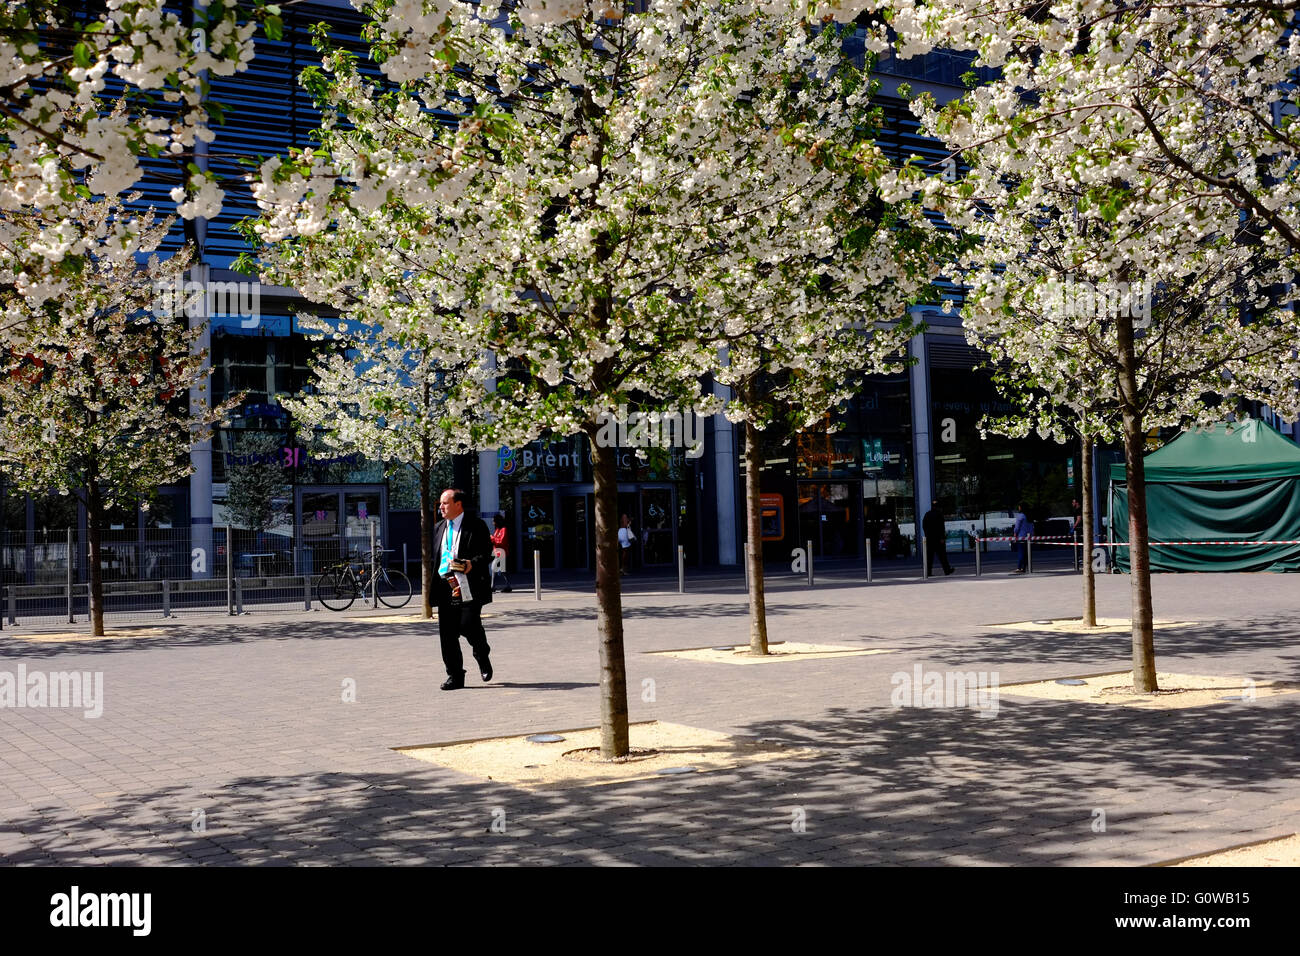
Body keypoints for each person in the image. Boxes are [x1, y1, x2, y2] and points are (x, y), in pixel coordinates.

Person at [432, 489, 495, 690]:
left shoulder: (476, 526)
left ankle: (481, 653)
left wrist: (471, 563)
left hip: (468, 584)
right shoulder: (438, 527)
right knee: (447, 634)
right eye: (440, 504)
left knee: (468, 625)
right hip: (445, 585)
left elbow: (487, 554)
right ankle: (455, 676)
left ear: (458, 504)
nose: (441, 507)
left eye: (445, 503)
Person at [922, 504, 954, 576]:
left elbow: (924, 526)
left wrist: (927, 534)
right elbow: (941, 527)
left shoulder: (927, 514)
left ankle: (928, 572)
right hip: (938, 539)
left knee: (929, 557)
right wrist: (942, 538)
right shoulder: (939, 515)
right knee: (942, 556)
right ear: (937, 507)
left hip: (930, 539)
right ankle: (947, 570)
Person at [490, 513, 511, 593]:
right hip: (497, 552)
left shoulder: (503, 529)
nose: (493, 523)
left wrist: (492, 539)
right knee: (503, 571)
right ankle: (508, 586)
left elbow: (502, 541)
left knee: (494, 569)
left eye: (494, 521)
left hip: (502, 553)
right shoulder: (498, 529)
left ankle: (492, 587)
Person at [1012, 502, 1033, 574]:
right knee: (1027, 553)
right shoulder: (1029, 516)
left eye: (1019, 506)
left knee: (1021, 552)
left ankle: (1019, 567)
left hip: (1021, 537)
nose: (1018, 508)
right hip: (1029, 537)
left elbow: (1017, 527)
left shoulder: (1020, 516)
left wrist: (1015, 534)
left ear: (1021, 507)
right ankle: (1024, 568)